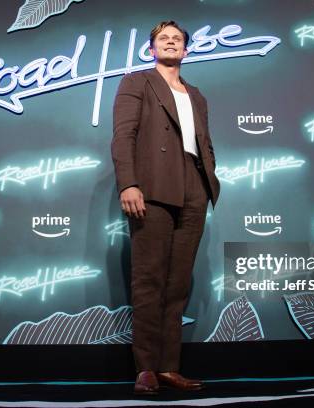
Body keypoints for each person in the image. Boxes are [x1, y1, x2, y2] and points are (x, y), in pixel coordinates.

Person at [111, 20, 220, 395]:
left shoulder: (197, 94)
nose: (171, 43)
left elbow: (203, 142)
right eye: (164, 39)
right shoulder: (136, 82)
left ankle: (170, 367)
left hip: (194, 187)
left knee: (177, 285)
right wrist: (129, 182)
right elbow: (123, 135)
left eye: (177, 40)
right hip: (154, 185)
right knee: (149, 280)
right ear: (152, 49)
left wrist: (209, 178)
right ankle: (145, 369)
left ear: (186, 51)